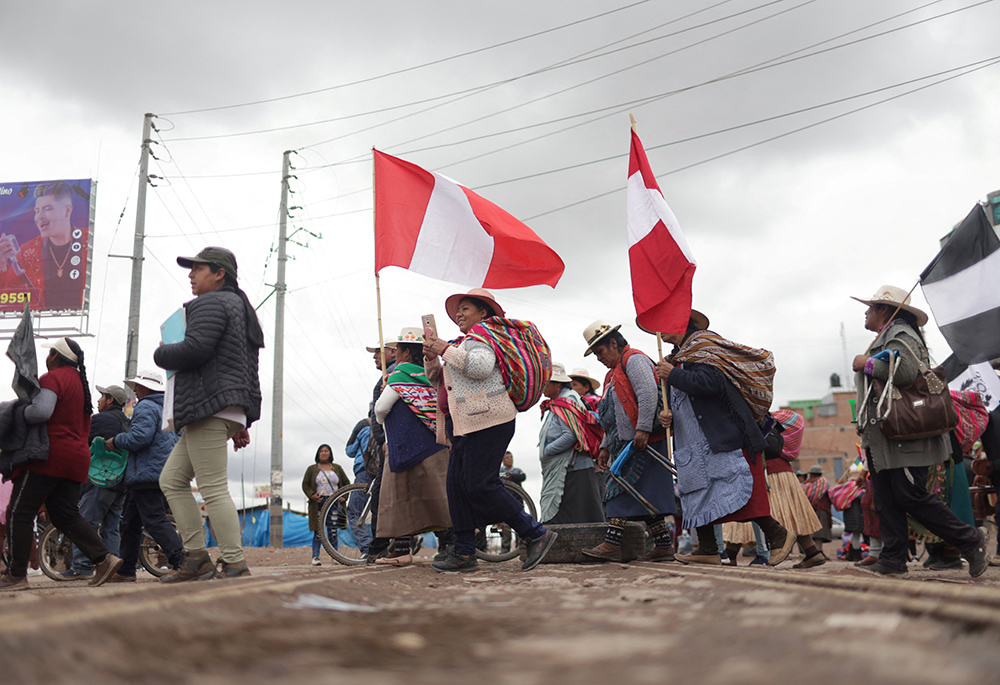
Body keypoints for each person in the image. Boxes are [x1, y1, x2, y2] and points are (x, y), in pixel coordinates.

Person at [851, 284, 992, 576]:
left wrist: (866, 365)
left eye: (871, 307)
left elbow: (904, 374)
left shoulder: (901, 335)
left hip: (903, 435)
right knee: (887, 497)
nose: (865, 312)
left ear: (885, 311)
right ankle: (892, 560)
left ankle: (971, 539)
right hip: (883, 437)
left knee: (910, 495)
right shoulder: (886, 336)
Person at [423, 288, 557, 573]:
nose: (459, 313)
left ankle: (535, 532)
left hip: (489, 420)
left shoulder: (483, 337)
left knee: (480, 484)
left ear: (483, 313)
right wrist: (432, 357)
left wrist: (444, 349)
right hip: (464, 424)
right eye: (458, 309)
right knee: (457, 487)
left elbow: (480, 368)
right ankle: (463, 552)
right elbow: (437, 378)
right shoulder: (464, 342)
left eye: (466, 308)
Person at [154, 246, 263, 581]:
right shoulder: (241, 307)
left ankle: (234, 563)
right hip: (224, 406)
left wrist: (161, 353)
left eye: (198, 269)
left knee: (213, 487)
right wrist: (244, 416)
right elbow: (248, 370)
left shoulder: (210, 303)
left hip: (208, 405)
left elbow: (195, 349)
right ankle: (197, 558)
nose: (191, 274)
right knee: (171, 480)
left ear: (220, 274)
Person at [654, 310, 794, 567]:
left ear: (681, 323)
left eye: (664, 325)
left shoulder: (703, 346)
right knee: (697, 493)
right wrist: (670, 418)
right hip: (693, 444)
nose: (659, 333)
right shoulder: (677, 358)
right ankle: (707, 549)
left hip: (720, 438)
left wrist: (672, 374)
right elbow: (689, 403)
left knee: (732, 491)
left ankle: (779, 535)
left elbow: (710, 384)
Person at [0, 338, 122, 591]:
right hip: (76, 458)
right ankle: (104, 559)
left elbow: (41, 412)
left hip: (50, 455)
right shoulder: (80, 384)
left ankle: (16, 575)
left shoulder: (53, 378)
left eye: (49, 353)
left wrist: (14, 409)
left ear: (54, 355)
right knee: (65, 514)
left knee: (19, 512)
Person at [579, 321, 677, 563]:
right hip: (623, 443)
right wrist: (604, 445)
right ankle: (664, 545)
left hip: (642, 441)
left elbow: (647, 394)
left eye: (600, 352)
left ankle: (612, 544)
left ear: (613, 343)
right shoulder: (611, 375)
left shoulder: (634, 359)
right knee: (641, 495)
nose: (599, 358)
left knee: (619, 491)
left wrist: (643, 429)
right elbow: (608, 414)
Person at [373, 327, 452, 566]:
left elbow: (380, 410)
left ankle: (401, 551)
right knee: (440, 497)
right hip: (436, 444)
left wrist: (382, 400)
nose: (394, 355)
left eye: (396, 350)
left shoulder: (400, 374)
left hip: (406, 448)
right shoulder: (434, 375)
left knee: (402, 498)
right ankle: (451, 548)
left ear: (406, 352)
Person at [105, 370, 184, 582]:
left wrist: (116, 441)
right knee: (130, 523)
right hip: (159, 471)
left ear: (146, 388)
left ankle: (181, 562)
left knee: (154, 520)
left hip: (146, 474)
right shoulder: (166, 409)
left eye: (137, 386)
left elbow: (139, 438)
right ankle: (126, 569)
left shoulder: (146, 406)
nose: (135, 390)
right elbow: (178, 438)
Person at [57, 383, 131, 581]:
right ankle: (112, 569)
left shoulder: (101, 419)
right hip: (121, 481)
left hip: (101, 480)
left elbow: (81, 441)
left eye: (102, 396)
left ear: (110, 400)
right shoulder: (126, 421)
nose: (98, 400)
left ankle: (81, 567)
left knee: (87, 521)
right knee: (111, 526)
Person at [0, 181, 89, 310]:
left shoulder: (88, 242)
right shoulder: (28, 251)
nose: (39, 217)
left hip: (84, 322)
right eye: (37, 211)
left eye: (47, 209)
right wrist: (2, 264)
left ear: (67, 211)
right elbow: (5, 296)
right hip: (41, 324)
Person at [537, 362, 605, 525]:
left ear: (558, 384)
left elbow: (571, 435)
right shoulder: (559, 403)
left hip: (573, 470)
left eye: (546, 383)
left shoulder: (567, 402)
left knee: (577, 518)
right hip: (569, 468)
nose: (543, 388)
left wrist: (547, 451)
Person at [767, 409, 827, 569]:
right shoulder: (781, 441)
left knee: (776, 515)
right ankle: (813, 552)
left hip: (772, 472)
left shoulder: (766, 425)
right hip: (787, 472)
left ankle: (759, 555)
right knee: (794, 515)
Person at [363, 338, 397, 563]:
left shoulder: (393, 374)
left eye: (378, 351)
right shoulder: (389, 374)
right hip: (391, 442)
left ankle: (379, 545)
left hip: (393, 443)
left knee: (382, 496)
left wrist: (384, 438)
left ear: (394, 351)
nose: (375, 356)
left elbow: (381, 410)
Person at [302, 444, 350, 566]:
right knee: (318, 530)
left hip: (334, 502)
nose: (323, 453)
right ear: (318, 454)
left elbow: (346, 483)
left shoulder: (337, 468)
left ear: (330, 454)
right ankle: (315, 557)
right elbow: (305, 484)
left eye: (326, 451)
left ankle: (335, 556)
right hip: (318, 502)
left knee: (332, 530)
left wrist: (343, 496)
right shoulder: (312, 469)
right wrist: (312, 495)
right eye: (321, 451)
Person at [345, 418, 373, 556]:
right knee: (381, 510)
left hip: (365, 470)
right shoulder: (391, 421)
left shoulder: (364, 424)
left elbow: (349, 451)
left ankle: (368, 548)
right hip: (386, 469)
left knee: (354, 511)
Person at [802, 466, 833, 551]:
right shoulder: (824, 482)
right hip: (821, 510)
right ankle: (818, 551)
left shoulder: (805, 484)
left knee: (813, 533)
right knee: (819, 533)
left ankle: (815, 551)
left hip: (809, 511)